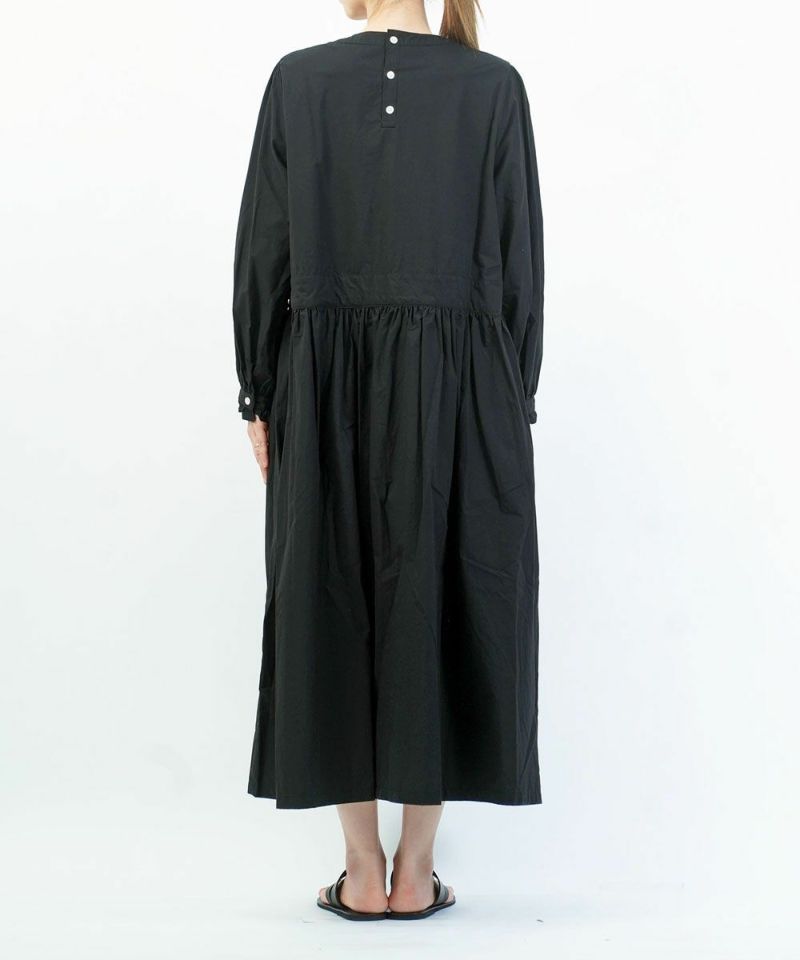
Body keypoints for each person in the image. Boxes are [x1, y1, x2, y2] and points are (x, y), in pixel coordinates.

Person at [231, 0, 544, 921]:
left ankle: (360, 872)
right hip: (461, 391)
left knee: (331, 596)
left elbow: (265, 252)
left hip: (324, 386)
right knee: (441, 595)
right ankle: (417, 871)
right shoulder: (493, 87)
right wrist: (511, 397)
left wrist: (259, 391)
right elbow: (520, 259)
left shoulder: (298, 82)